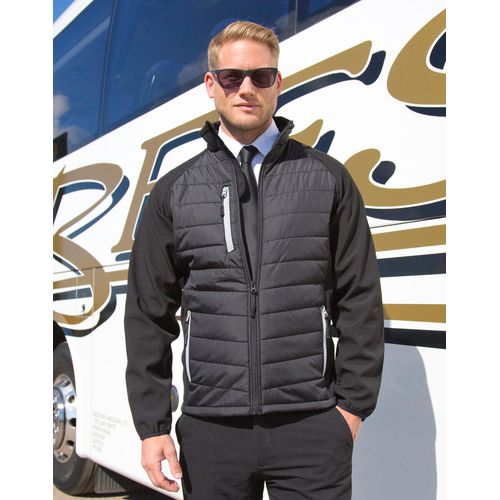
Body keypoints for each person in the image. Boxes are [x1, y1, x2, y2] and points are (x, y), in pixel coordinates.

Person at [125, 20, 384, 500]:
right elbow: (148, 314)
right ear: (211, 85)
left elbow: (360, 298)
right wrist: (152, 425)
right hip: (211, 429)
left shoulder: (327, 178)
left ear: (278, 83)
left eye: (261, 76)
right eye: (231, 77)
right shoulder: (174, 192)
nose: (246, 88)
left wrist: (350, 409)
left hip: (311, 425)